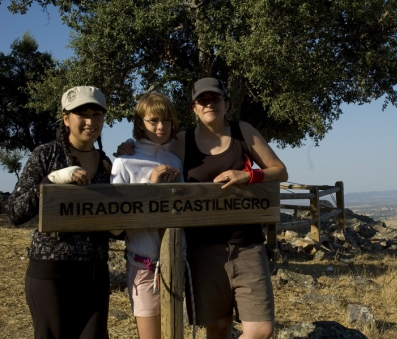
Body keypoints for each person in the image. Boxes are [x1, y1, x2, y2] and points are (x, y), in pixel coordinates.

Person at [116, 77, 288, 338]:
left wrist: (249, 175)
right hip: (202, 248)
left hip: (247, 244)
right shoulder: (182, 142)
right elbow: (153, 153)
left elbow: (280, 171)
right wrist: (129, 145)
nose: (209, 104)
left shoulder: (243, 131)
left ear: (226, 103)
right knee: (218, 328)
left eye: (215, 99)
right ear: (194, 108)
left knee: (261, 330)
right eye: (202, 100)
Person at [6, 86, 112, 339]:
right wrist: (52, 180)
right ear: (66, 118)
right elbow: (15, 212)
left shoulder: (108, 163)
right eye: (81, 114)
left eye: (97, 114)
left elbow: (114, 221)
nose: (90, 121)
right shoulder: (45, 155)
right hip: (51, 274)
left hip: (95, 275)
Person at [110, 92, 182, 339]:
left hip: (176, 263)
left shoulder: (175, 161)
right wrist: (152, 188)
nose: (161, 127)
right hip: (144, 266)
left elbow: (181, 212)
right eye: (153, 121)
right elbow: (117, 221)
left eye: (166, 120)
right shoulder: (125, 162)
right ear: (140, 122)